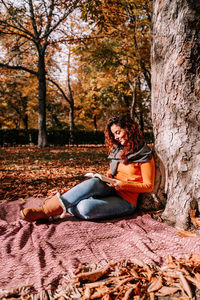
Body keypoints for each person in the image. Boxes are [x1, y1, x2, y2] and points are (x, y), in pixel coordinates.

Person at [20, 115, 155, 222]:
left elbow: (148, 186)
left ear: (129, 129)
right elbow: (114, 171)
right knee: (94, 182)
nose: (116, 137)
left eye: (118, 132)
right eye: (114, 134)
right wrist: (106, 177)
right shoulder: (119, 150)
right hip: (111, 188)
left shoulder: (144, 154)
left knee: (84, 208)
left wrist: (123, 184)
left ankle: (64, 202)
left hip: (126, 200)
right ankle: (46, 211)